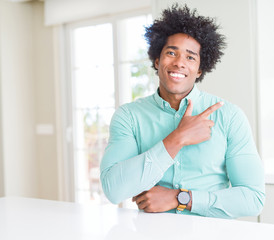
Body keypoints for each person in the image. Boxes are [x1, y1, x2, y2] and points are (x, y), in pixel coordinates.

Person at [100, 4, 265, 219]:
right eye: (171, 53)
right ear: (157, 61)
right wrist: (177, 139)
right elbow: (114, 190)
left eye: (190, 57)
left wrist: (181, 198)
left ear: (199, 70)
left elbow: (253, 199)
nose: (179, 63)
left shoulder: (230, 116)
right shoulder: (129, 117)